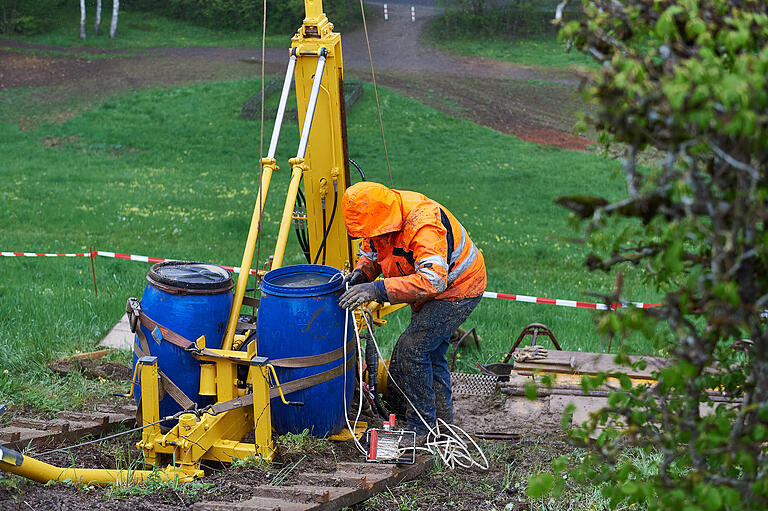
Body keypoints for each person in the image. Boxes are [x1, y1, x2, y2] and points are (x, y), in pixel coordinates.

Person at [338, 181, 486, 437]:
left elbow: (433, 281)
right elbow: (373, 252)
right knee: (430, 353)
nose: (369, 238)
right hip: (433, 289)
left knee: (412, 348)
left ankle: (421, 427)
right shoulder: (379, 219)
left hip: (458, 288)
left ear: (384, 219)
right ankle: (442, 424)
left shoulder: (423, 224)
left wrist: (378, 290)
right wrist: (362, 274)